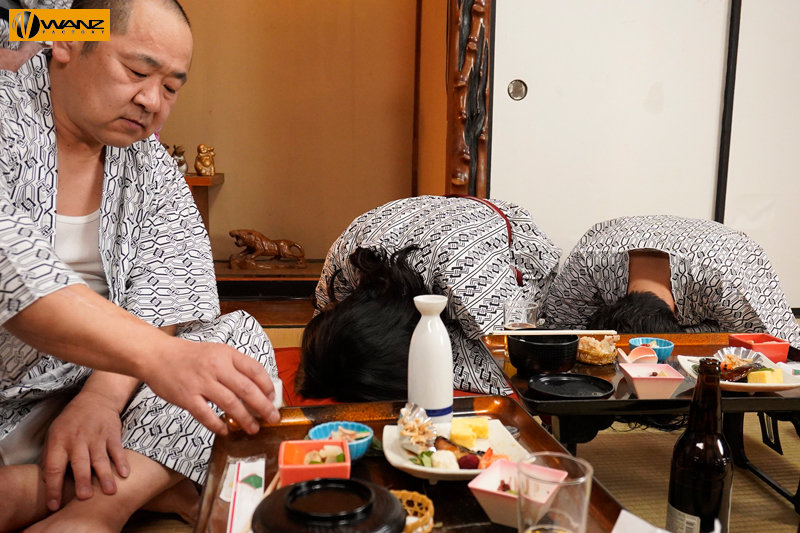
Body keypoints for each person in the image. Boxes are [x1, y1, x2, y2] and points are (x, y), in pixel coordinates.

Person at [0, 0, 281, 530]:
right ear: (67, 43)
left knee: (237, 348)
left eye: (171, 87)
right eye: (136, 71)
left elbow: (169, 290)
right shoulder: (8, 111)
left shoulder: (149, 163)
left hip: (101, 393)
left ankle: (96, 509)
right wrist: (158, 358)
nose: (152, 100)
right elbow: (13, 270)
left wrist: (101, 399)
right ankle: (116, 486)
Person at [297, 195, 561, 401]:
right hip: (428, 231)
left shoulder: (470, 279)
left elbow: (501, 371)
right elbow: (324, 328)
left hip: (497, 243)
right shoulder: (344, 259)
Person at [543, 215, 800, 348]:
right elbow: (561, 331)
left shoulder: (725, 281)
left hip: (722, 254)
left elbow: (766, 346)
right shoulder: (588, 263)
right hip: (618, 239)